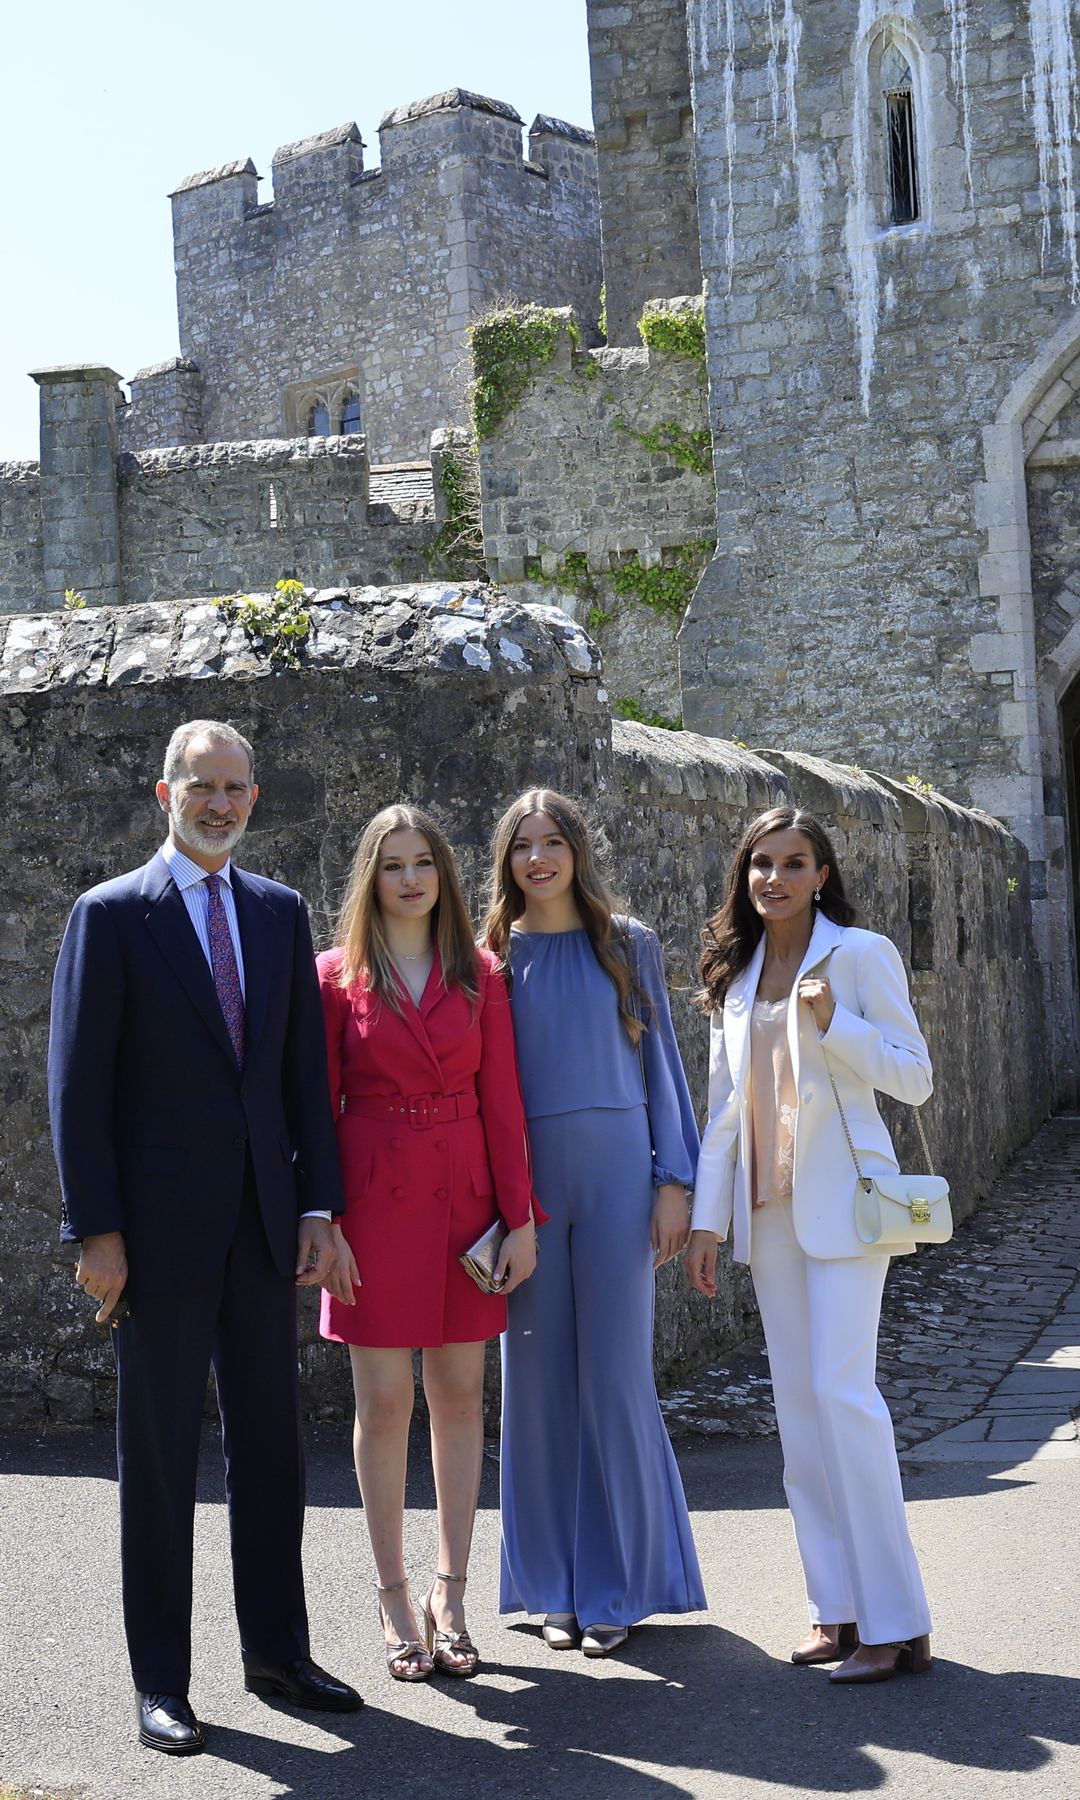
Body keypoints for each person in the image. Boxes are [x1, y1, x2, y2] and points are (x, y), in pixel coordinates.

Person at [47, 719, 362, 1757]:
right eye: (201, 786)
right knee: (163, 1459)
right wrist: (98, 1231)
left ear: (254, 798)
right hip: (158, 1236)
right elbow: (78, 1090)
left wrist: (320, 1206)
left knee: (273, 1450)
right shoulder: (111, 917)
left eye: (235, 787)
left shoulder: (278, 914)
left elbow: (302, 1081)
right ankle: (162, 1684)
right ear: (163, 793)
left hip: (267, 1229)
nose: (219, 803)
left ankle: (278, 1651)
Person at [685, 804, 934, 1683]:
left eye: (795, 863)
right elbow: (723, 1110)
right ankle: (835, 1607)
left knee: (843, 1395)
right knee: (798, 1413)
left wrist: (840, 1026)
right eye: (761, 864)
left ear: (822, 874)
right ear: (745, 875)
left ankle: (896, 1620)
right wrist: (709, 1221)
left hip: (850, 1207)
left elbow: (914, 1077)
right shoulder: (739, 973)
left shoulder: (859, 956)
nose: (776, 879)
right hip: (770, 1213)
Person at [318, 804, 537, 1683]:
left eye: (424, 864)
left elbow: (506, 1104)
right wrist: (322, 1219)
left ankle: (453, 1590)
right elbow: (317, 1107)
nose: (410, 879)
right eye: (392, 865)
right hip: (371, 1205)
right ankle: (393, 1593)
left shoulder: (482, 972)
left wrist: (519, 1220)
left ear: (445, 876)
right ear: (371, 879)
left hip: (466, 1204)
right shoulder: (333, 977)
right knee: (383, 1404)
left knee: (456, 1393)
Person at [484, 789, 705, 1657]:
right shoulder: (490, 956)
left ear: (577, 849)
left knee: (614, 1380)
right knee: (536, 1385)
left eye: (552, 843)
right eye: (522, 846)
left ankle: (622, 1583)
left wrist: (674, 1181)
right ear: (505, 861)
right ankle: (551, 1587)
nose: (538, 859)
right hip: (527, 1189)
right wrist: (501, 1209)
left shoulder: (629, 943)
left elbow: (662, 1064)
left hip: (620, 1178)